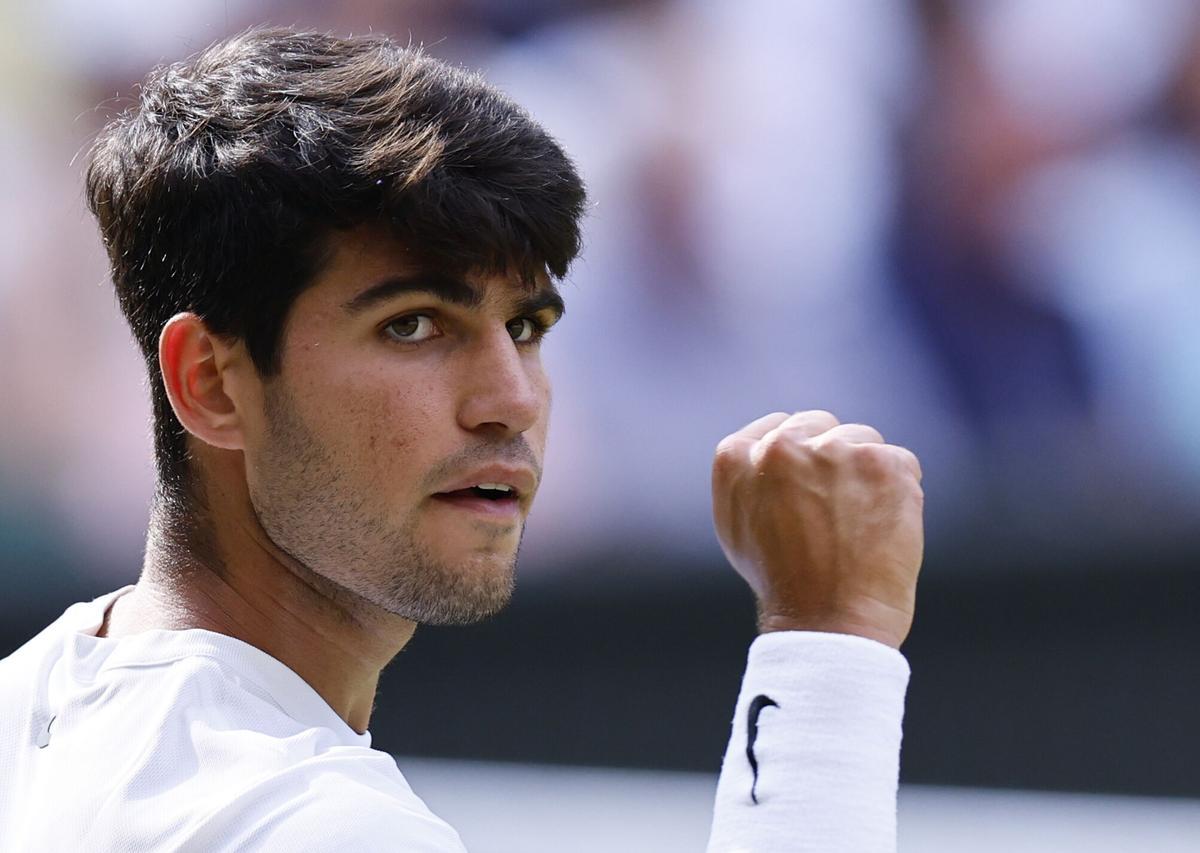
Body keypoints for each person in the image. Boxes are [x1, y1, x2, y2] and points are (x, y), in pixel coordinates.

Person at [0, 27, 924, 852]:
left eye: (526, 327)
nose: (510, 401)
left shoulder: (32, 708)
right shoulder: (311, 824)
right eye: (413, 325)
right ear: (210, 382)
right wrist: (826, 645)